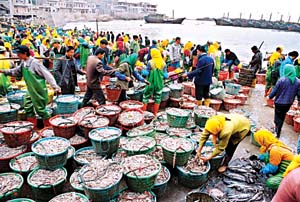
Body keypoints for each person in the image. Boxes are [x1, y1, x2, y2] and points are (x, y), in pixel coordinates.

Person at [0, 45, 61, 128]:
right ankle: (32, 127)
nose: (17, 55)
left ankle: (48, 128)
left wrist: (55, 87)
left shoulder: (35, 63)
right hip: (30, 90)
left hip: (38, 90)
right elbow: (16, 72)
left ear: (25, 53)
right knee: (28, 107)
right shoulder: (23, 63)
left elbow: (47, 75)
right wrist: (4, 71)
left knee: (41, 110)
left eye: (19, 53)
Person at [268, 64, 300, 138]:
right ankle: (278, 128)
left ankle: (277, 131)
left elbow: (275, 90)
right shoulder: (298, 81)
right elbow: (299, 94)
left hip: (279, 102)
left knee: (277, 117)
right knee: (282, 116)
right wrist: (299, 102)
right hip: (288, 103)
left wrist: (270, 96)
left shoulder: (282, 80)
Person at [142, 48, 168, 116]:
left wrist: (142, 70)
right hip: (159, 84)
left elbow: (146, 73)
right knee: (158, 97)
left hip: (150, 83)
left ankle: (144, 114)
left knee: (146, 96)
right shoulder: (163, 63)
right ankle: (155, 113)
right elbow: (166, 76)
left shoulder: (150, 62)